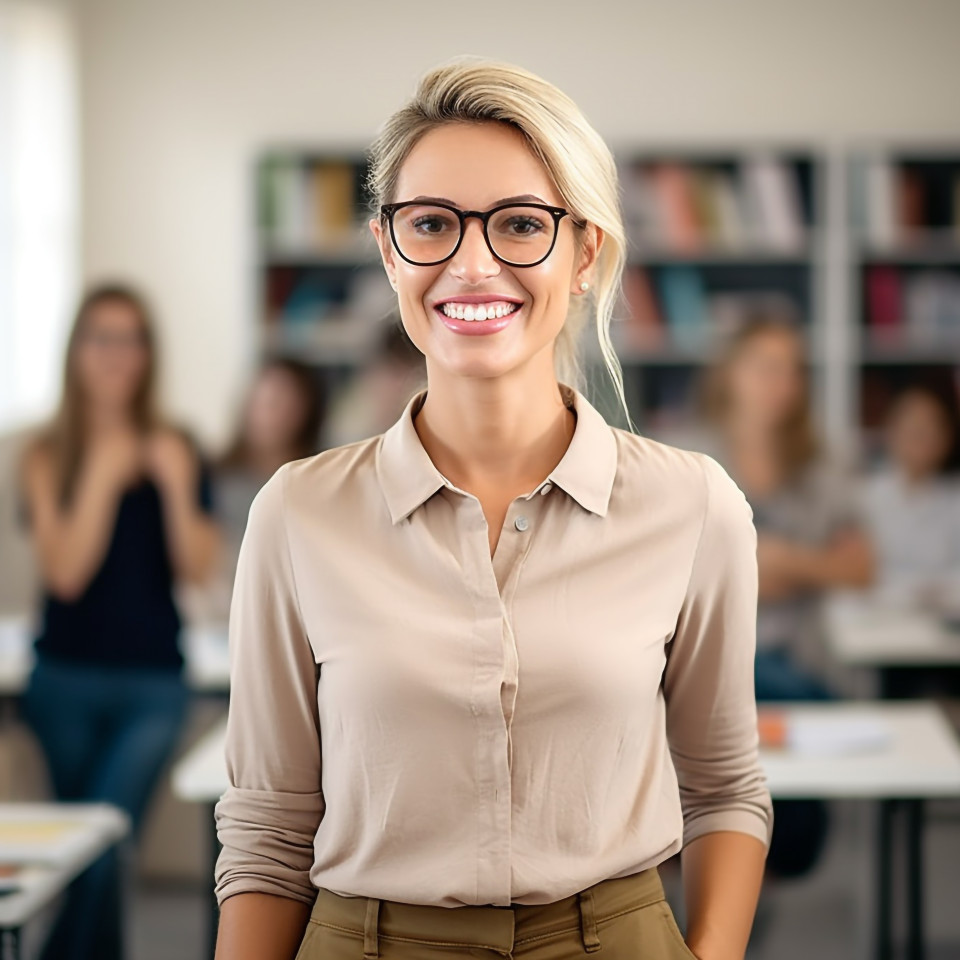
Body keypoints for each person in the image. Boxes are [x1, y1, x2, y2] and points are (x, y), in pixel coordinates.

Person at [214, 59, 773, 960]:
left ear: (585, 253)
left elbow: (724, 789)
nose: (472, 264)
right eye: (430, 224)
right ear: (388, 248)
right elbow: (268, 830)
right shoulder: (297, 513)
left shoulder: (693, 505)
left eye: (520, 225)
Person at [18, 282, 221, 960]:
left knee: (107, 839)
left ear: (148, 354)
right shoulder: (47, 455)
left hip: (153, 683)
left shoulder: (180, 446)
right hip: (63, 681)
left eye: (130, 339)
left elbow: (196, 568)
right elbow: (66, 573)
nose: (116, 355)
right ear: (76, 351)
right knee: (85, 855)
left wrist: (168, 482)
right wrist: (105, 471)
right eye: (101, 337)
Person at [696, 312, 875, 878]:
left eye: (794, 371)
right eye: (768, 368)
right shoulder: (687, 460)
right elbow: (660, 569)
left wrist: (780, 559)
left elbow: (859, 567)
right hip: (712, 663)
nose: (785, 384)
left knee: (786, 706)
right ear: (731, 374)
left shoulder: (821, 467)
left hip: (796, 662)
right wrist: (753, 568)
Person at [861, 384, 960, 697]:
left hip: (943, 643)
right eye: (912, 427)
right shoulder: (863, 498)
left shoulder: (954, 500)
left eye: (931, 428)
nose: (921, 437)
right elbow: (859, 576)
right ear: (891, 431)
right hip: (878, 639)